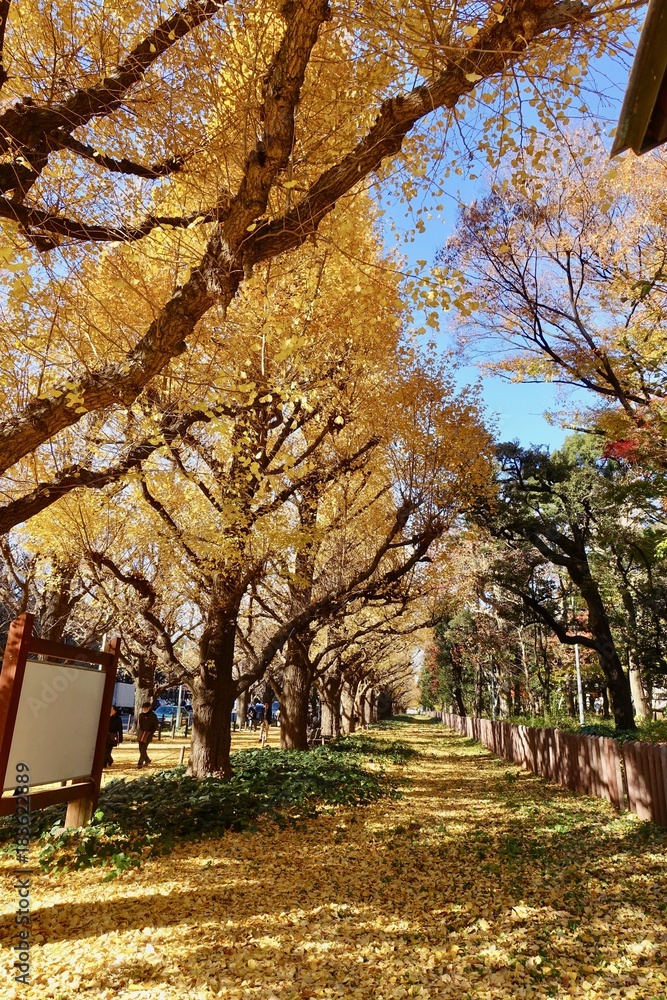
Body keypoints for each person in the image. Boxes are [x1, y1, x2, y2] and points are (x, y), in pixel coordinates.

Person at [137, 701, 159, 768]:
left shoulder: (153, 716)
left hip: (148, 734)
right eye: (143, 708)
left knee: (143, 749)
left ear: (149, 708)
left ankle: (140, 763)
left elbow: (155, 726)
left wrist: (151, 733)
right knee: (140, 748)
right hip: (142, 733)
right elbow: (140, 724)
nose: (144, 709)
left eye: (146, 708)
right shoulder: (141, 715)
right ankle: (147, 759)